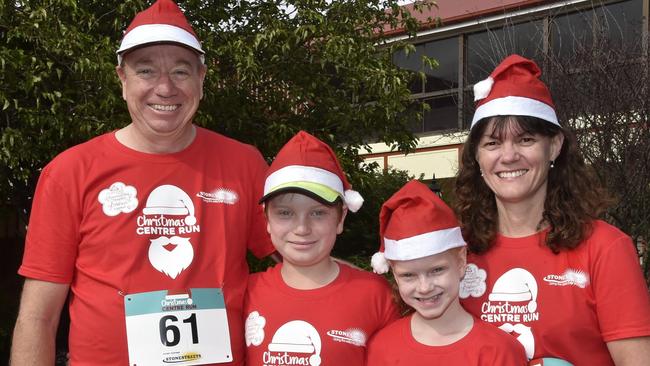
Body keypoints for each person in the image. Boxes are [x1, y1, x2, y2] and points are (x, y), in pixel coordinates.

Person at [10, 0, 275, 365]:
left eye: (181, 72)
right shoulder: (70, 171)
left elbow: (303, 257)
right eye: (146, 71)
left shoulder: (244, 163)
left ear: (202, 77)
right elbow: (38, 316)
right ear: (122, 79)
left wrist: (372, 290)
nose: (165, 89)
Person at [455, 54, 650, 365]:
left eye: (526, 139)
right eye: (492, 143)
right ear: (476, 156)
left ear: (555, 146)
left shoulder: (605, 248)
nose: (508, 156)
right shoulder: (455, 252)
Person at [243, 130, 399, 366]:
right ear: (265, 219)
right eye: (285, 213)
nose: (302, 228)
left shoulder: (375, 294)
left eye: (318, 213)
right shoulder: (244, 293)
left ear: (341, 218)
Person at [366, 179, 527, 365]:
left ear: (460, 262)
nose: (425, 287)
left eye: (437, 270)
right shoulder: (382, 348)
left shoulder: (499, 350)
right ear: (394, 273)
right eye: (408, 275)